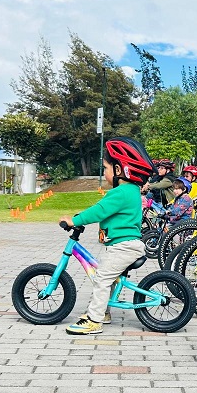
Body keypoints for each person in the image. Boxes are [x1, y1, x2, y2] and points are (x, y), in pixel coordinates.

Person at [61, 137, 154, 335]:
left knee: (102, 278)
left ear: (119, 170)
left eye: (106, 168)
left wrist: (74, 221)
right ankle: (103, 312)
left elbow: (99, 211)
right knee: (110, 278)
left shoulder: (121, 192)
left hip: (124, 247)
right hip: (124, 245)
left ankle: (94, 320)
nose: (104, 173)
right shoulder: (131, 190)